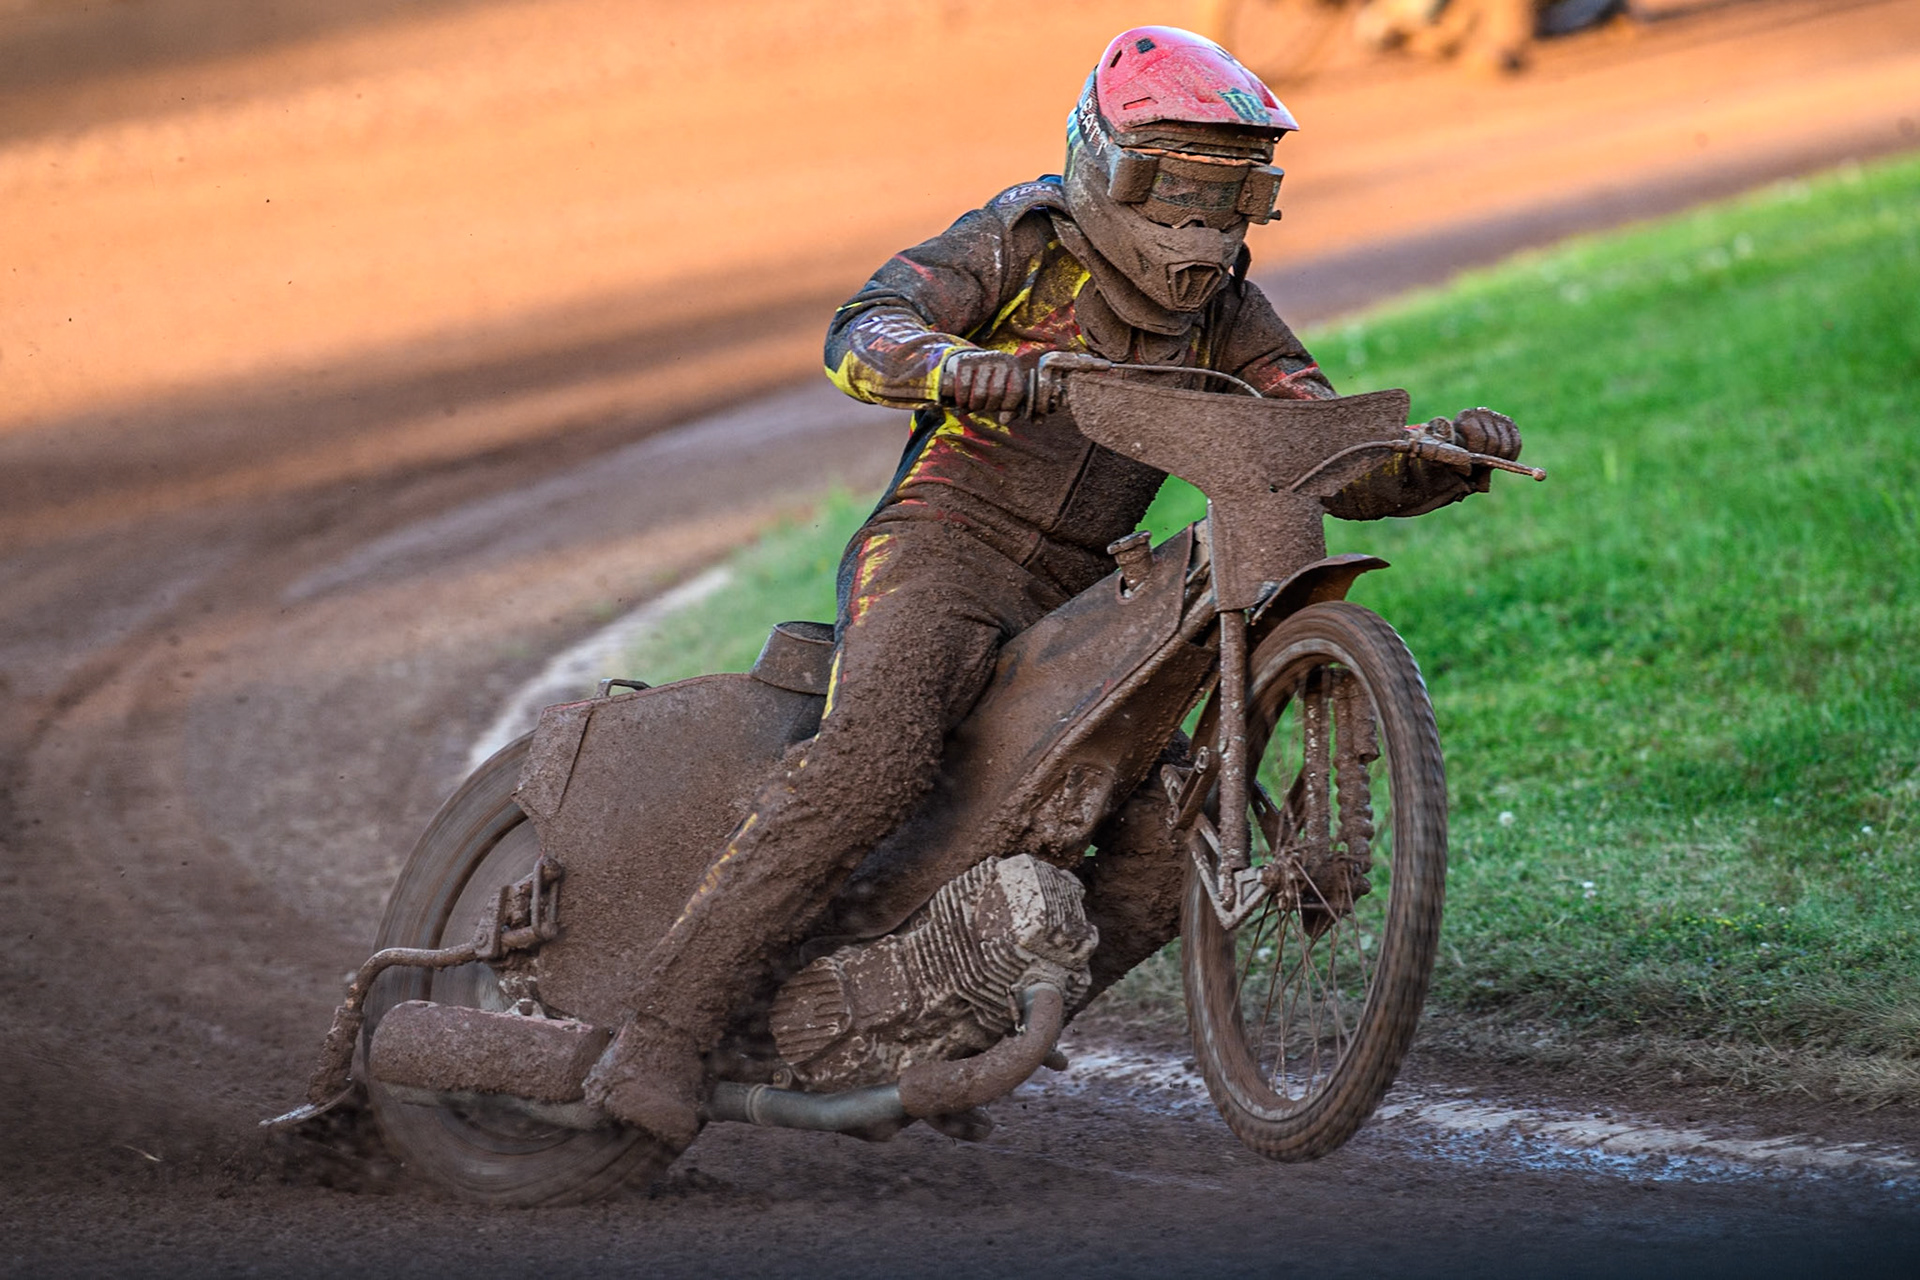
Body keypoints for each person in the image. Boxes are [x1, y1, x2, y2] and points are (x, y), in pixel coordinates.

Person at [582, 25, 1521, 1151]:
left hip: (1083, 600)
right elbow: (858, 331)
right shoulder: (1023, 244)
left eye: (1236, 192)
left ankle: (944, 1026)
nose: (1202, 222)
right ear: (1104, 163)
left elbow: (1309, 440)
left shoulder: (1226, 309)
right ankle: (662, 1030)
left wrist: (1432, 460)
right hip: (943, 546)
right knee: (874, 754)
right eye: (1175, 183)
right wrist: (952, 363)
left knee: (1168, 836)